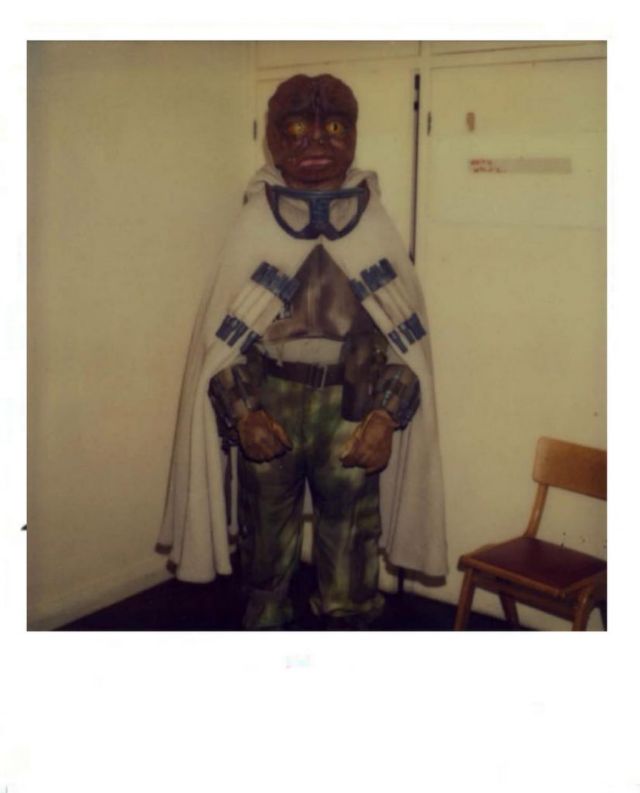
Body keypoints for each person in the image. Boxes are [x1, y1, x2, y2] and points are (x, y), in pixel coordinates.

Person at [157, 73, 447, 629]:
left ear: (353, 134)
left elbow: (405, 342)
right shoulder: (253, 224)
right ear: (272, 137)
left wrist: (385, 416)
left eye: (333, 127)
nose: (315, 141)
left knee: (353, 541)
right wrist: (244, 411)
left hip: (353, 406)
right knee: (264, 539)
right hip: (271, 399)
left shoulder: (374, 226)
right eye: (295, 128)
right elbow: (222, 342)